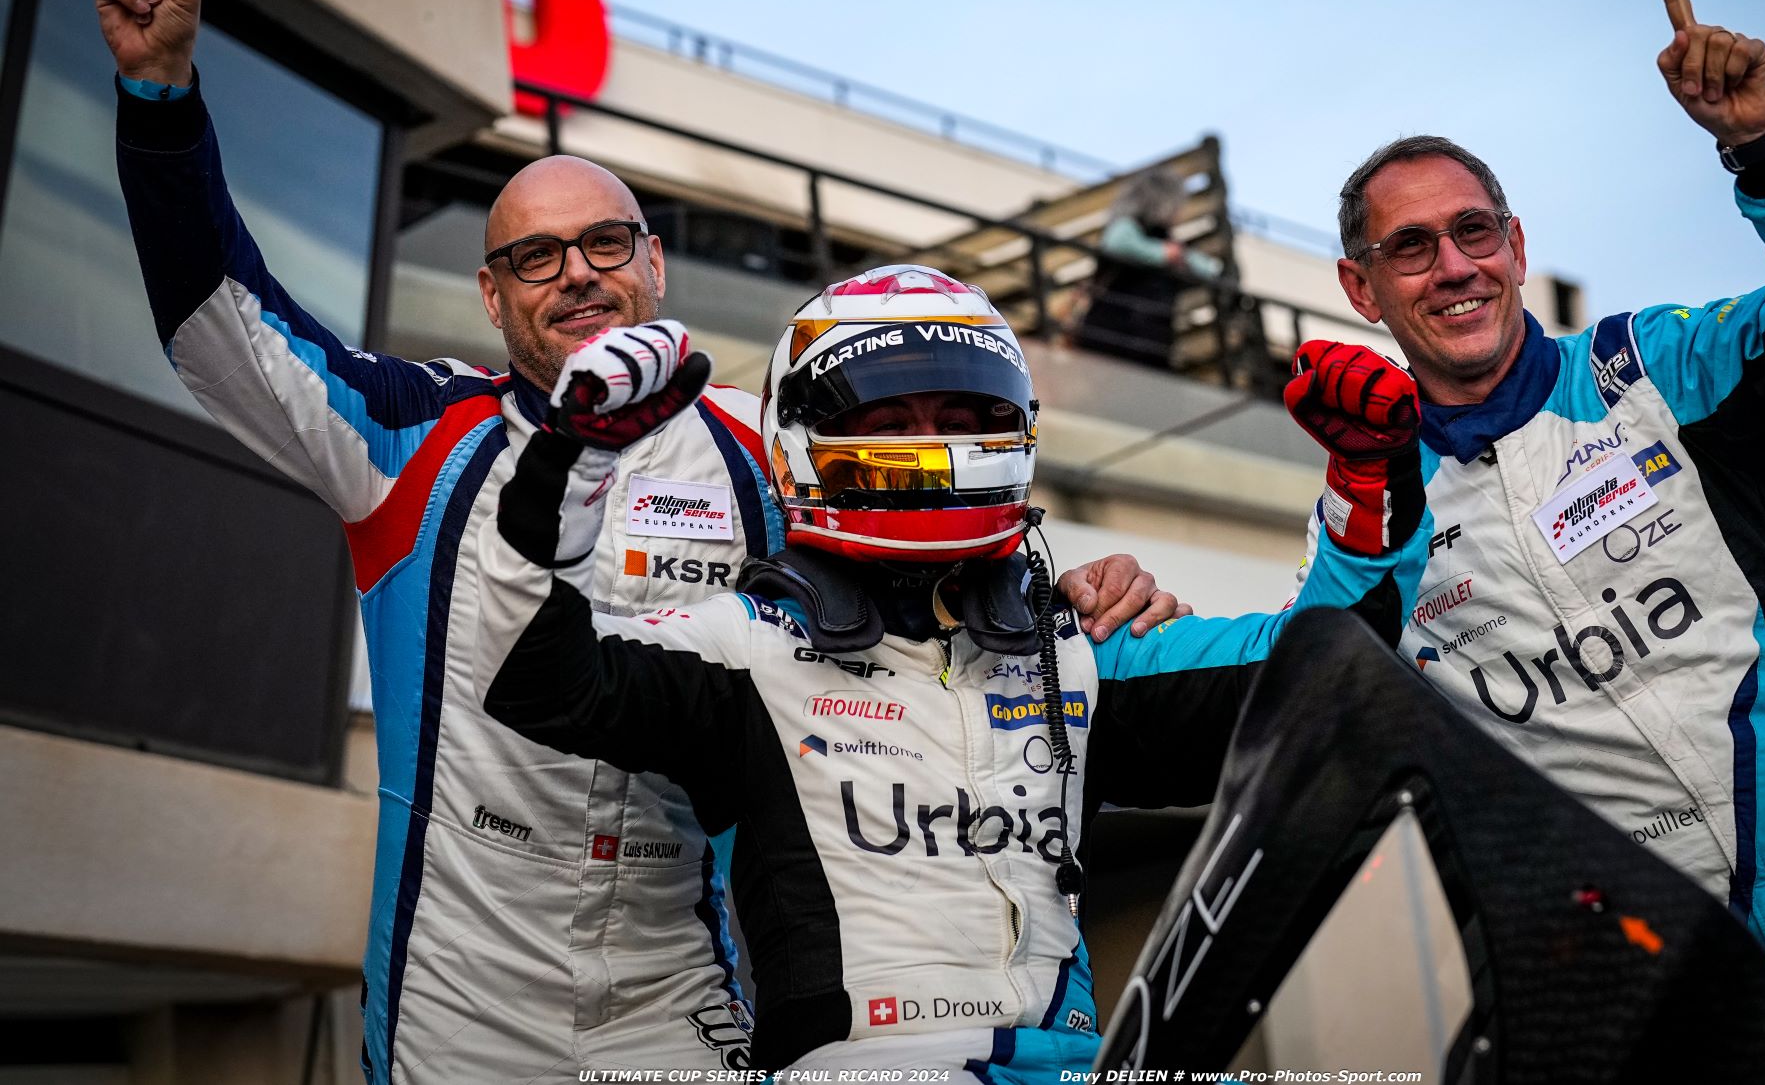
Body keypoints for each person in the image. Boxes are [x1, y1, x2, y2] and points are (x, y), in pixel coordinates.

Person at [97, 0, 1180, 1082]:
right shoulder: (409, 433)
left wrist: (1063, 597)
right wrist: (160, 100)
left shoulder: (769, 447)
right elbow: (222, 326)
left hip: (682, 973)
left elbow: (928, 565)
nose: (576, 272)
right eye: (535, 256)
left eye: (604, 241)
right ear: (490, 293)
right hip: (462, 987)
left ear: (653, 265)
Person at [1278, 0, 1765, 1084]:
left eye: (1474, 232)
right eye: (1409, 247)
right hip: (1649, 961)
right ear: (1359, 289)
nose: (1453, 266)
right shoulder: (1375, 508)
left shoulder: (1651, 365)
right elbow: (1311, 699)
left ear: (1517, 248)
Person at [475, 265, 1355, 1077]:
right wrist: (567, 466)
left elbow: (1330, 671)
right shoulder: (744, 650)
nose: (930, 451)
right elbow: (532, 672)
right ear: (799, 442)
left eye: (961, 421)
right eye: (891, 425)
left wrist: (1367, 490)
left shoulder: (1078, 648)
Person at [1072, 166, 1225, 368]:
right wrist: (1164, 254)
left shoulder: (1163, 238)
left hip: (1150, 344)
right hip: (1113, 336)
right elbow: (1116, 243)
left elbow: (1209, 269)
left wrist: (1179, 257)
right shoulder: (1129, 227)